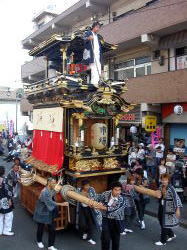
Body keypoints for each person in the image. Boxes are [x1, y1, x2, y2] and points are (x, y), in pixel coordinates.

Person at [33, 177, 66, 250]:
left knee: (52, 229)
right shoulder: (44, 191)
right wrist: (61, 204)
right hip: (42, 211)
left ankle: (50, 245)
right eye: (53, 183)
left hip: (49, 212)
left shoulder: (50, 189)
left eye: (55, 183)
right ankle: (39, 241)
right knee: (40, 227)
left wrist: (58, 184)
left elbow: (53, 192)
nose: (54, 184)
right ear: (49, 183)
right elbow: (50, 202)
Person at [96, 182, 127, 250]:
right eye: (116, 190)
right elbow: (98, 198)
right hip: (106, 219)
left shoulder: (122, 199)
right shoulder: (106, 194)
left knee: (115, 240)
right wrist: (94, 202)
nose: (118, 192)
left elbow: (111, 209)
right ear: (112, 190)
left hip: (117, 220)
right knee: (105, 239)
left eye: (119, 190)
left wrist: (100, 206)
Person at [155, 173, 182, 246]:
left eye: (165, 180)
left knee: (165, 224)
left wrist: (177, 209)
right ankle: (171, 234)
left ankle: (163, 241)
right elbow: (158, 195)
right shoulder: (161, 186)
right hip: (162, 206)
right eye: (162, 180)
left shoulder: (171, 188)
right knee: (160, 219)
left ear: (168, 180)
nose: (164, 181)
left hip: (169, 208)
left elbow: (176, 199)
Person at [76, 180, 102, 245]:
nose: (87, 187)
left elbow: (95, 197)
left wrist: (89, 197)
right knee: (82, 223)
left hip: (90, 209)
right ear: (83, 186)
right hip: (82, 209)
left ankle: (90, 238)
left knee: (90, 224)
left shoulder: (91, 189)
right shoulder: (79, 190)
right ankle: (85, 232)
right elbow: (75, 198)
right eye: (86, 186)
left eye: (88, 185)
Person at [83, 22, 102, 87]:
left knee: (99, 68)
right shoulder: (88, 32)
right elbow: (83, 39)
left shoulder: (98, 36)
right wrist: (88, 38)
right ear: (93, 27)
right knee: (94, 67)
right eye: (97, 27)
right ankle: (94, 82)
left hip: (97, 53)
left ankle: (99, 81)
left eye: (99, 28)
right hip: (91, 53)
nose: (98, 29)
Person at [0, 166, 14, 236]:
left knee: (0, 215)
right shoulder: (5, 180)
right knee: (8, 215)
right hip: (5, 199)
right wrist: (9, 199)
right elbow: (9, 190)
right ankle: (6, 230)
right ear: (3, 172)